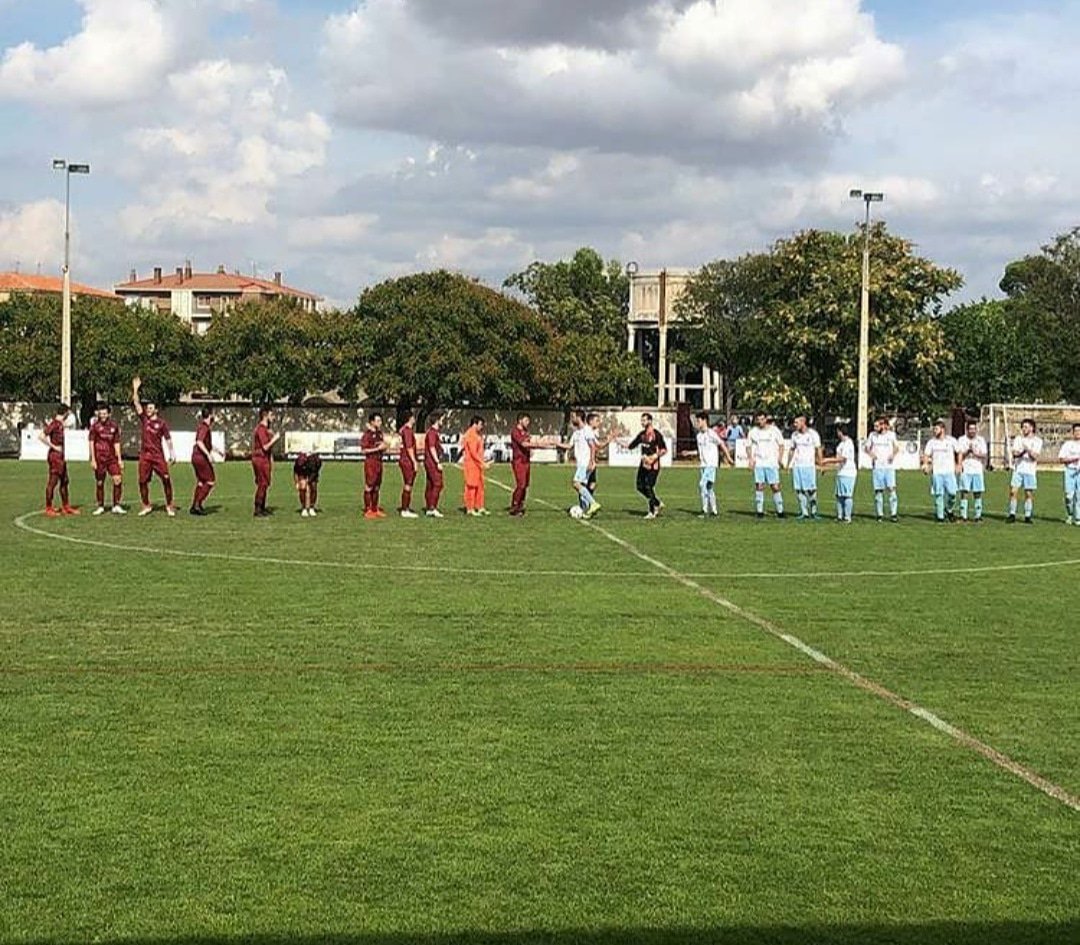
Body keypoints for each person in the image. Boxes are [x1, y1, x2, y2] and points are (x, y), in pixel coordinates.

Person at [132, 377, 177, 517]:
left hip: (158, 456)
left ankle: (169, 505)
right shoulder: (144, 419)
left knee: (166, 479)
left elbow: (168, 439)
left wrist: (172, 453)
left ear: (156, 410)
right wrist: (135, 389)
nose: (148, 409)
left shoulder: (162, 424)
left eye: (151, 407)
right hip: (145, 456)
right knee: (142, 481)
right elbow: (136, 402)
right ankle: (146, 505)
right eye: (147, 407)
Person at [556, 411, 602, 518]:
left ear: (579, 417)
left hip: (585, 463)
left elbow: (592, 446)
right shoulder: (576, 433)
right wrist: (556, 443)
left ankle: (593, 503)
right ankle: (586, 510)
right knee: (582, 486)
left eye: (573, 417)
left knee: (576, 483)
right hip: (581, 463)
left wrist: (591, 461)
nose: (572, 419)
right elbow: (569, 446)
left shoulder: (587, 430)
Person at [39, 404, 78, 517]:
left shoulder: (60, 424)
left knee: (65, 481)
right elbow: (41, 436)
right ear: (65, 413)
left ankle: (66, 506)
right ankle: (48, 507)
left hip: (61, 456)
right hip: (55, 456)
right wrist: (54, 446)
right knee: (53, 481)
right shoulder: (54, 424)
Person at [626, 413, 667, 519]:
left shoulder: (656, 434)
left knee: (649, 486)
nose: (642, 422)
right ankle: (656, 502)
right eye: (641, 420)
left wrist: (654, 457)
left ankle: (652, 511)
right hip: (643, 465)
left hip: (654, 466)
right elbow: (631, 446)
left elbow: (664, 450)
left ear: (650, 421)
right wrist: (616, 440)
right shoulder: (642, 435)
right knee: (639, 486)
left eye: (644, 420)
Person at [88, 402, 124, 515]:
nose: (102, 415)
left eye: (105, 413)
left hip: (112, 458)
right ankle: (100, 506)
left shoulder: (114, 426)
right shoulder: (95, 427)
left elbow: (117, 442)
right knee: (100, 482)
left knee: (118, 479)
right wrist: (93, 459)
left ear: (109, 414)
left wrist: (119, 459)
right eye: (101, 413)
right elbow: (91, 442)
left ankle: (116, 505)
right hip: (99, 458)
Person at [748, 412, 786, 520]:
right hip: (759, 463)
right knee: (759, 486)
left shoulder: (774, 430)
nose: (760, 421)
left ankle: (780, 511)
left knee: (775, 486)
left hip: (771, 463)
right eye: (758, 419)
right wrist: (751, 459)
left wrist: (779, 458)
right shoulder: (753, 432)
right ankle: (759, 511)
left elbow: (781, 444)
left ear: (766, 419)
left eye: (762, 419)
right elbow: (748, 446)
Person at [694, 411, 732, 518]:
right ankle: (714, 511)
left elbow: (721, 444)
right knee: (709, 487)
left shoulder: (711, 433)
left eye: (698, 421)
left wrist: (728, 457)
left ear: (705, 421)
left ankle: (704, 510)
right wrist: (689, 452)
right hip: (703, 465)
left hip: (711, 464)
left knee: (702, 485)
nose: (697, 423)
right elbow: (700, 451)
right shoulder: (699, 436)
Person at [922, 420, 960, 523]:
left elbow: (959, 451)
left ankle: (949, 510)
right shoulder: (931, 442)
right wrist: (925, 465)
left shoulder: (951, 441)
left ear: (942, 429)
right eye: (934, 429)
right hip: (937, 472)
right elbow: (926, 455)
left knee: (952, 494)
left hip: (949, 472)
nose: (934, 431)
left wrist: (958, 464)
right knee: (939, 494)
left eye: (936, 429)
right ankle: (940, 517)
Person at [509, 412, 545, 516]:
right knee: (521, 484)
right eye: (526, 420)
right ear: (520, 420)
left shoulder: (526, 431)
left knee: (525, 485)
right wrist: (539, 445)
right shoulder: (515, 431)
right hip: (518, 461)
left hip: (526, 461)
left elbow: (528, 443)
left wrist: (532, 448)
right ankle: (514, 505)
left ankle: (520, 505)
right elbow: (524, 444)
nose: (528, 423)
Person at [787, 415, 823, 520]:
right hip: (797, 466)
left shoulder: (813, 434)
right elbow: (792, 450)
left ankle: (814, 511)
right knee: (799, 490)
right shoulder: (794, 435)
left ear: (803, 422)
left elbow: (818, 449)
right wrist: (788, 464)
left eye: (796, 422)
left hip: (809, 466)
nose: (795, 424)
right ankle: (804, 512)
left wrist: (820, 464)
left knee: (811, 490)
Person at [1007, 418, 1042, 524]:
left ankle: (1027, 516)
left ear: (1032, 428)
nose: (1024, 429)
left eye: (1026, 427)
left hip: (1030, 471)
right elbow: (1015, 453)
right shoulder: (1018, 439)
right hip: (1018, 469)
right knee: (1013, 492)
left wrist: (1028, 449)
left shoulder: (1038, 441)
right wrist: (1023, 451)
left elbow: (1035, 456)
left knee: (1028, 494)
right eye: (1023, 427)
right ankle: (1012, 514)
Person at [865, 416, 900, 522]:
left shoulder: (891, 435)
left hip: (889, 467)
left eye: (877, 425)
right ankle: (879, 514)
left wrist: (892, 455)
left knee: (891, 489)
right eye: (874, 426)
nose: (875, 427)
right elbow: (866, 448)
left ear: (884, 425)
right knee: (878, 491)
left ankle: (893, 513)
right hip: (877, 467)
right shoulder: (872, 435)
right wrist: (872, 455)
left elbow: (896, 447)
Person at [190, 407, 221, 516]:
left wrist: (218, 451)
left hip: (195, 457)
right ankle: (197, 504)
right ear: (210, 415)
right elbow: (199, 441)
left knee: (201, 481)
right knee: (210, 480)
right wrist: (208, 455)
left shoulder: (203, 426)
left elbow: (207, 444)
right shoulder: (204, 428)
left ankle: (194, 505)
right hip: (200, 457)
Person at [955, 420, 988, 523]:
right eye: (970, 429)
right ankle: (963, 516)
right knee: (964, 492)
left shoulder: (980, 440)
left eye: (974, 429)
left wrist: (975, 452)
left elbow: (984, 454)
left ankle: (978, 516)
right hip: (966, 469)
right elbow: (959, 454)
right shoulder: (961, 439)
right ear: (967, 430)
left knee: (977, 492)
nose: (972, 431)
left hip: (977, 469)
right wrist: (966, 452)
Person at [251, 407, 281, 517]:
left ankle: (262, 507)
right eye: (271, 414)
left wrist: (271, 460)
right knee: (262, 483)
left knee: (265, 483)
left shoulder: (265, 429)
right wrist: (274, 439)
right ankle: (258, 508)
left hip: (264, 459)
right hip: (260, 458)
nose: (273, 417)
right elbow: (265, 447)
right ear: (265, 415)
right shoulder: (261, 429)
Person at [461, 415, 491, 516]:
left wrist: (483, 459)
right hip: (471, 464)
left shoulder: (477, 435)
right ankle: (470, 508)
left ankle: (479, 506)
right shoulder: (471, 435)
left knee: (480, 486)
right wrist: (482, 463)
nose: (481, 427)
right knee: (471, 486)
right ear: (475, 424)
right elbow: (473, 452)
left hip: (477, 465)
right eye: (480, 424)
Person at [828, 424, 858, 523]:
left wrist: (827, 460)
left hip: (848, 472)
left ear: (840, 432)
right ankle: (840, 515)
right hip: (841, 472)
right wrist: (827, 468)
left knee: (847, 495)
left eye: (838, 431)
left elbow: (843, 458)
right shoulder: (841, 444)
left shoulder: (848, 443)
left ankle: (847, 517)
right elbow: (838, 461)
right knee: (839, 495)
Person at [360, 412, 388, 519]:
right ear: (372, 422)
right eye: (378, 421)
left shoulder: (380, 434)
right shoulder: (367, 435)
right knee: (369, 486)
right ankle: (368, 509)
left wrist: (385, 447)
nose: (380, 423)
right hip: (370, 462)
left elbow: (382, 446)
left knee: (377, 486)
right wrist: (377, 449)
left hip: (379, 462)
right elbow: (364, 450)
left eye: (380, 421)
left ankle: (375, 509)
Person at [397, 411, 420, 518]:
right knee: (408, 484)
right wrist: (414, 461)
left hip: (405, 460)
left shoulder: (404, 430)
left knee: (409, 484)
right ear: (410, 418)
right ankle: (405, 509)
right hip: (407, 461)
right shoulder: (407, 431)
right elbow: (409, 447)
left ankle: (405, 507)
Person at [423, 412, 446, 518]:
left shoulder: (434, 432)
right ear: (437, 420)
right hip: (432, 462)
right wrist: (437, 462)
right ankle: (432, 507)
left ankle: (429, 507)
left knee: (430, 484)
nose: (442, 421)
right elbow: (432, 448)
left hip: (429, 461)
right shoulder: (432, 433)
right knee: (438, 484)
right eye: (441, 419)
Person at [1060, 423, 1080, 525]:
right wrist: (1073, 459)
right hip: (1070, 471)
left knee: (1079, 496)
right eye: (1076, 431)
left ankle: (1078, 518)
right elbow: (1061, 459)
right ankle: (1070, 514)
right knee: (1069, 496)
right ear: (1073, 432)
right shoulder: (1067, 445)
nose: (1078, 433)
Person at [293, 451, 323, 518]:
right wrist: (297, 483)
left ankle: (312, 507)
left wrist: (308, 481)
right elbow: (295, 472)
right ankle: (303, 508)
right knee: (302, 487)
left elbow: (315, 472)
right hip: (302, 474)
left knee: (313, 487)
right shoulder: (298, 463)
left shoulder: (315, 461)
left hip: (312, 473)